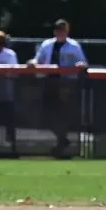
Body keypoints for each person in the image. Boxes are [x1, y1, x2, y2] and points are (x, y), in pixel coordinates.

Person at [28, 19, 87, 158]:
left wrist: (80, 65)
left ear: (67, 31)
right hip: (49, 81)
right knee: (46, 113)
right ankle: (62, 139)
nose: (60, 32)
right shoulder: (47, 44)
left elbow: (83, 61)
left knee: (62, 114)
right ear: (54, 31)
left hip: (66, 82)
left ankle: (60, 145)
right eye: (58, 29)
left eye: (63, 30)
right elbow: (38, 59)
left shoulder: (74, 46)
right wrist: (32, 62)